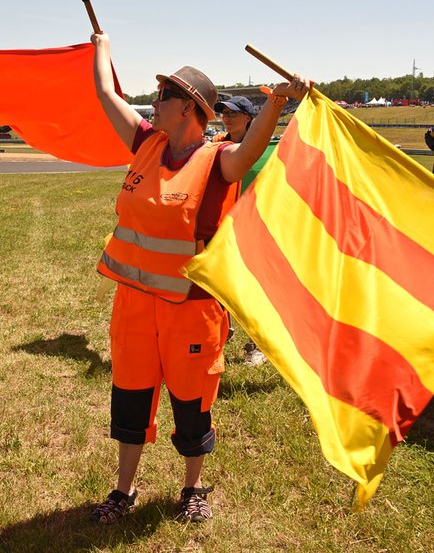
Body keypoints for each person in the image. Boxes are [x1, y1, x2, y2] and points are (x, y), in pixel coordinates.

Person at [89, 30, 310, 524]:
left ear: (188, 108)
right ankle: (123, 492)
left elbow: (250, 150)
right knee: (129, 395)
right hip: (134, 305)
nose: (153, 102)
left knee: (191, 403)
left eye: (164, 95)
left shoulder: (217, 160)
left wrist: (275, 99)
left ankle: (192, 489)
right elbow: (107, 94)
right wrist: (99, 45)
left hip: (191, 310)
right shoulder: (146, 144)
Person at [211, 95, 266, 366]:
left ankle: (258, 343)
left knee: (252, 287)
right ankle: (224, 328)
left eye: (233, 112)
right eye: (223, 112)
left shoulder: (265, 147)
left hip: (254, 227)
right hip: (220, 227)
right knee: (219, 283)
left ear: (248, 117)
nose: (227, 116)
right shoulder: (214, 146)